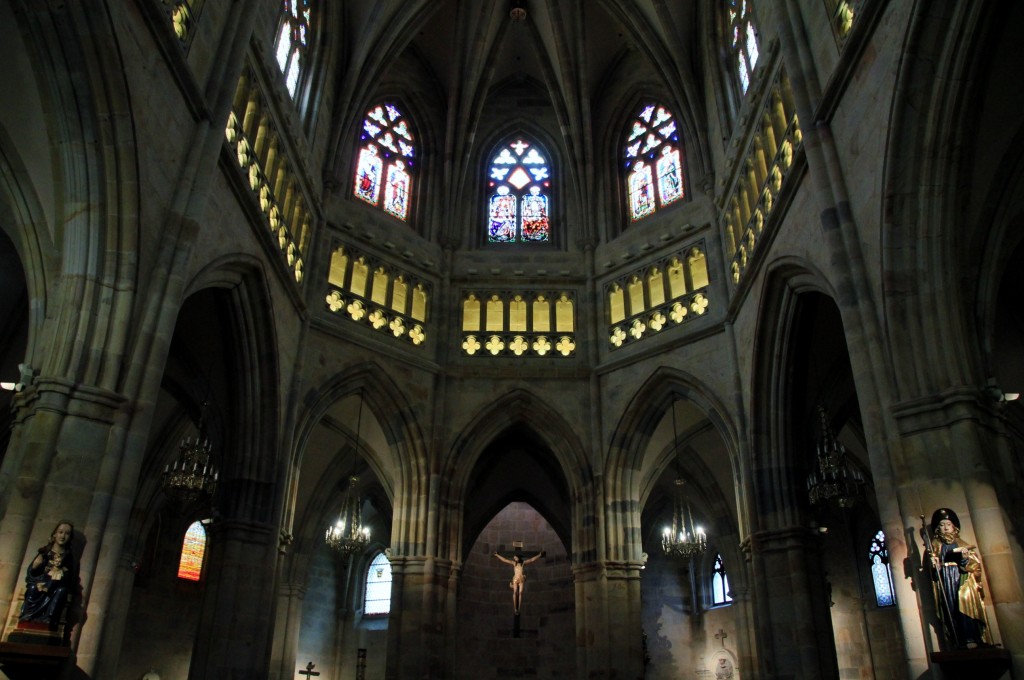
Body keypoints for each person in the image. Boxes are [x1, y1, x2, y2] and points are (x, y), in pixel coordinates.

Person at [927, 508, 991, 648]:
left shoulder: (962, 544)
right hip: (946, 580)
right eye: (942, 525)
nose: (945, 528)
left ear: (954, 526)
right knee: (951, 608)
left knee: (965, 605)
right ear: (938, 528)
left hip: (962, 580)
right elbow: (932, 571)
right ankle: (957, 639)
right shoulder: (935, 546)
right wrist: (934, 565)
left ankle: (971, 638)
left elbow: (975, 566)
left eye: (948, 524)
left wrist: (964, 559)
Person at [19, 520, 75, 630]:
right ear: (54, 534)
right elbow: (32, 573)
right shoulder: (45, 552)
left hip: (55, 586)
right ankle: (28, 616)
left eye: (67, 533)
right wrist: (35, 566)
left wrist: (60, 573)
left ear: (70, 537)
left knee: (61, 591)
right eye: (60, 532)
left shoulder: (68, 556)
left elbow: (69, 578)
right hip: (41, 582)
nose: (63, 536)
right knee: (32, 587)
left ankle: (48, 619)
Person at [493, 550, 544, 614]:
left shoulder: (523, 563)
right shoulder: (514, 563)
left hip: (521, 579)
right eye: (514, 558)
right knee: (515, 592)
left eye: (515, 557)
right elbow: (505, 560)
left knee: (520, 593)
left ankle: (519, 608)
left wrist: (539, 555)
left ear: (518, 557)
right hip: (515, 579)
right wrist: (497, 555)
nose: (514, 558)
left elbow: (531, 560)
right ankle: (515, 608)